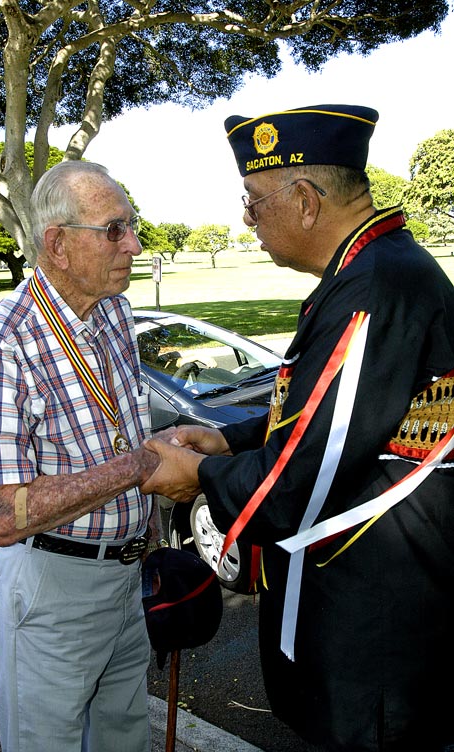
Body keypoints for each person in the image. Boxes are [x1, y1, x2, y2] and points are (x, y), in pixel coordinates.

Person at [141, 105, 454, 752]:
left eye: (254, 203)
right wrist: (230, 439)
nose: (246, 220)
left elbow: (305, 473)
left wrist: (198, 474)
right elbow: (349, 411)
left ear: (305, 201)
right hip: (379, 606)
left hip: (377, 624)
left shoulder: (372, 287)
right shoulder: (374, 270)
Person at [0, 161, 165, 752]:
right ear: (59, 245)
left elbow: (118, 430)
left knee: (124, 741)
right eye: (115, 229)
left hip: (124, 579)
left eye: (131, 225)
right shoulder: (0, 340)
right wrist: (140, 467)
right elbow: (2, 516)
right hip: (51, 588)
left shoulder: (113, 312)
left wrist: (146, 543)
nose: (134, 243)